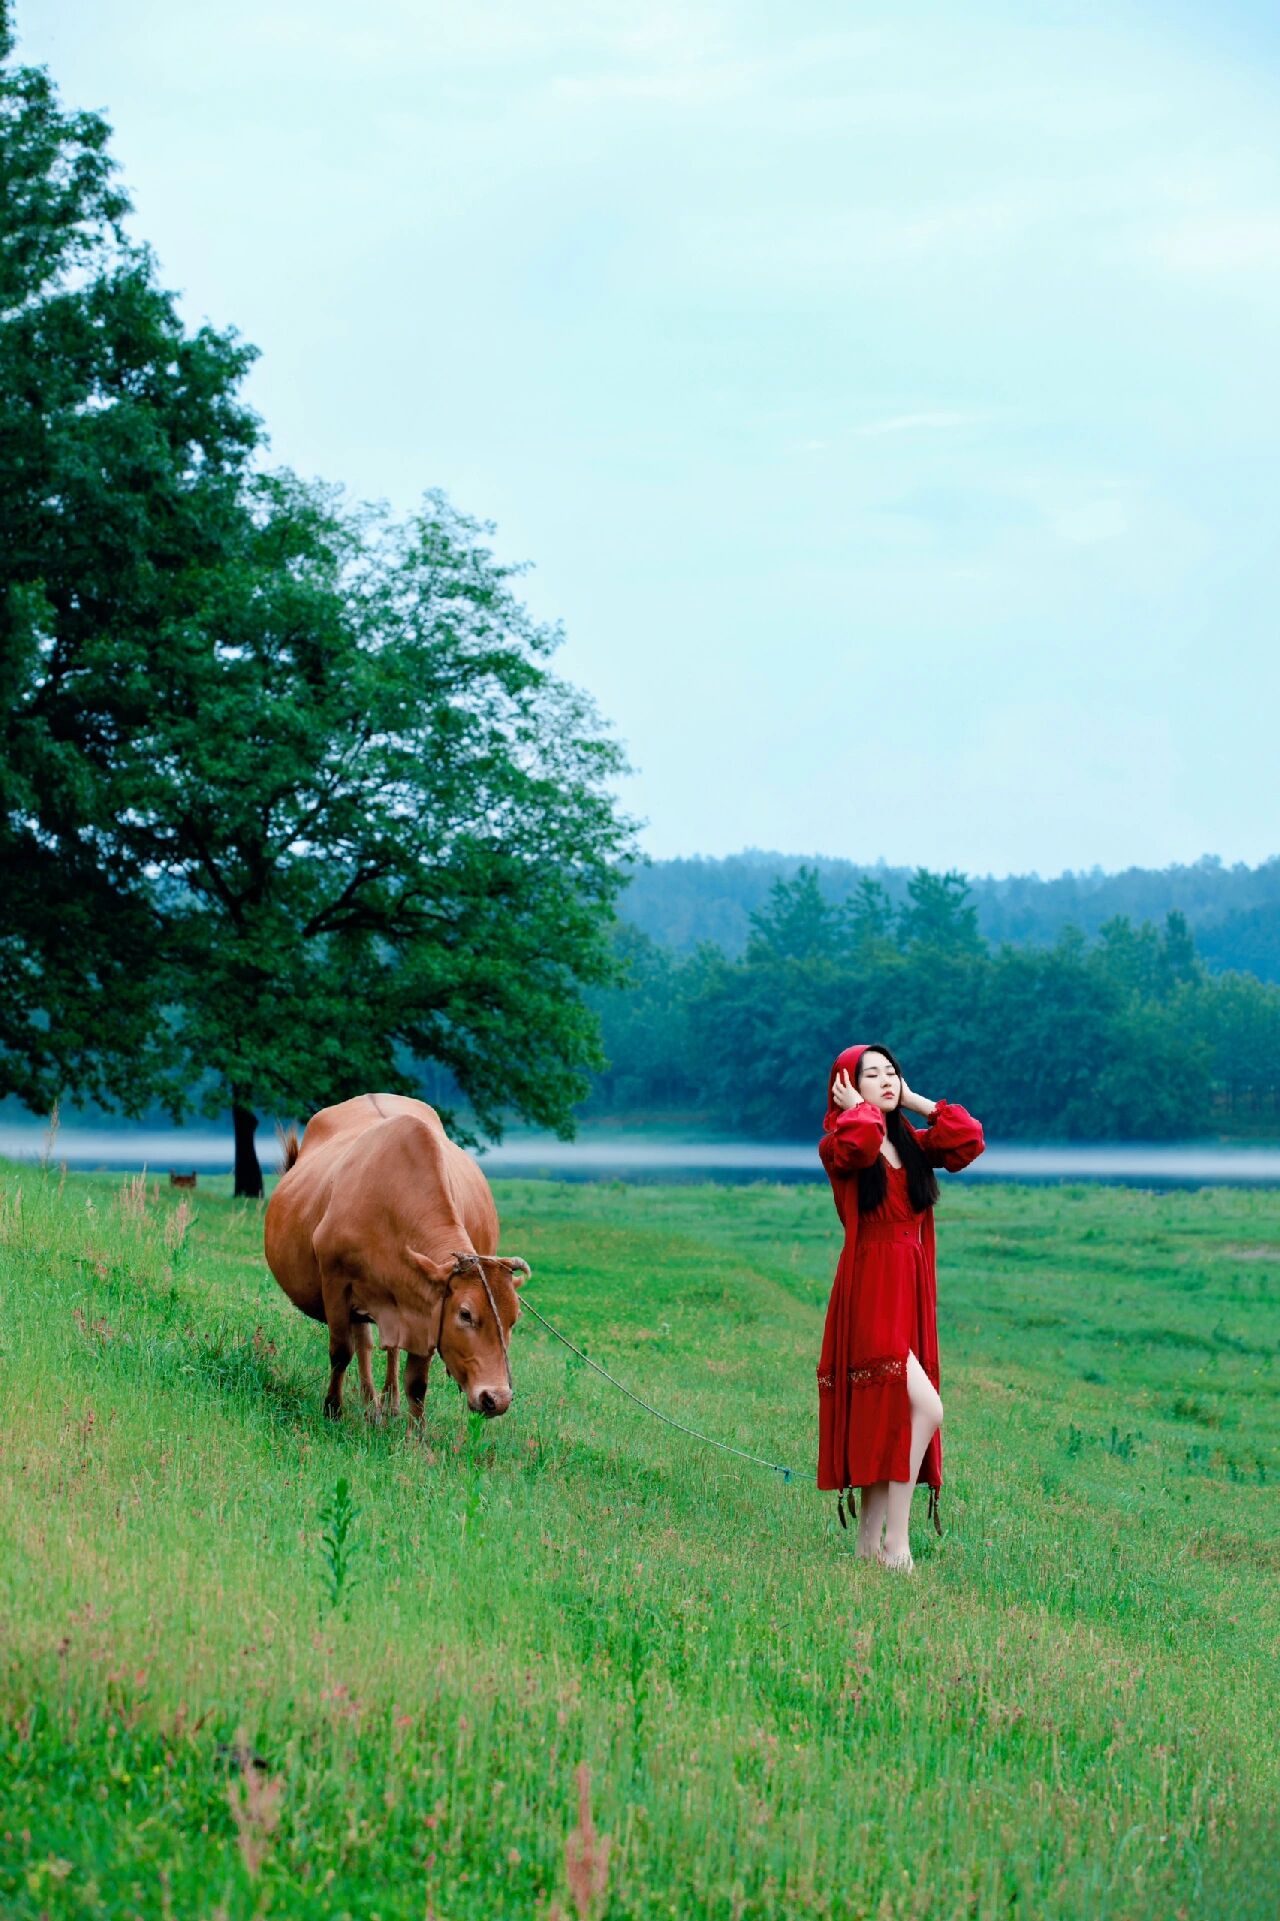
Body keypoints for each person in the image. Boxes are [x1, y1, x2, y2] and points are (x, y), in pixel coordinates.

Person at [816, 1042, 985, 1571]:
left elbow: (969, 1139)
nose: (888, 1080)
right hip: (869, 1292)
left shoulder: (910, 1144)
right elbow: (862, 1140)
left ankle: (869, 1546)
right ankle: (898, 1546)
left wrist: (916, 1101)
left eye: (893, 1072)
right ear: (847, 1086)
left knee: (891, 1414)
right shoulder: (841, 1142)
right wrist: (855, 1111)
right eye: (874, 1075)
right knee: (926, 1408)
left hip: (909, 1292)